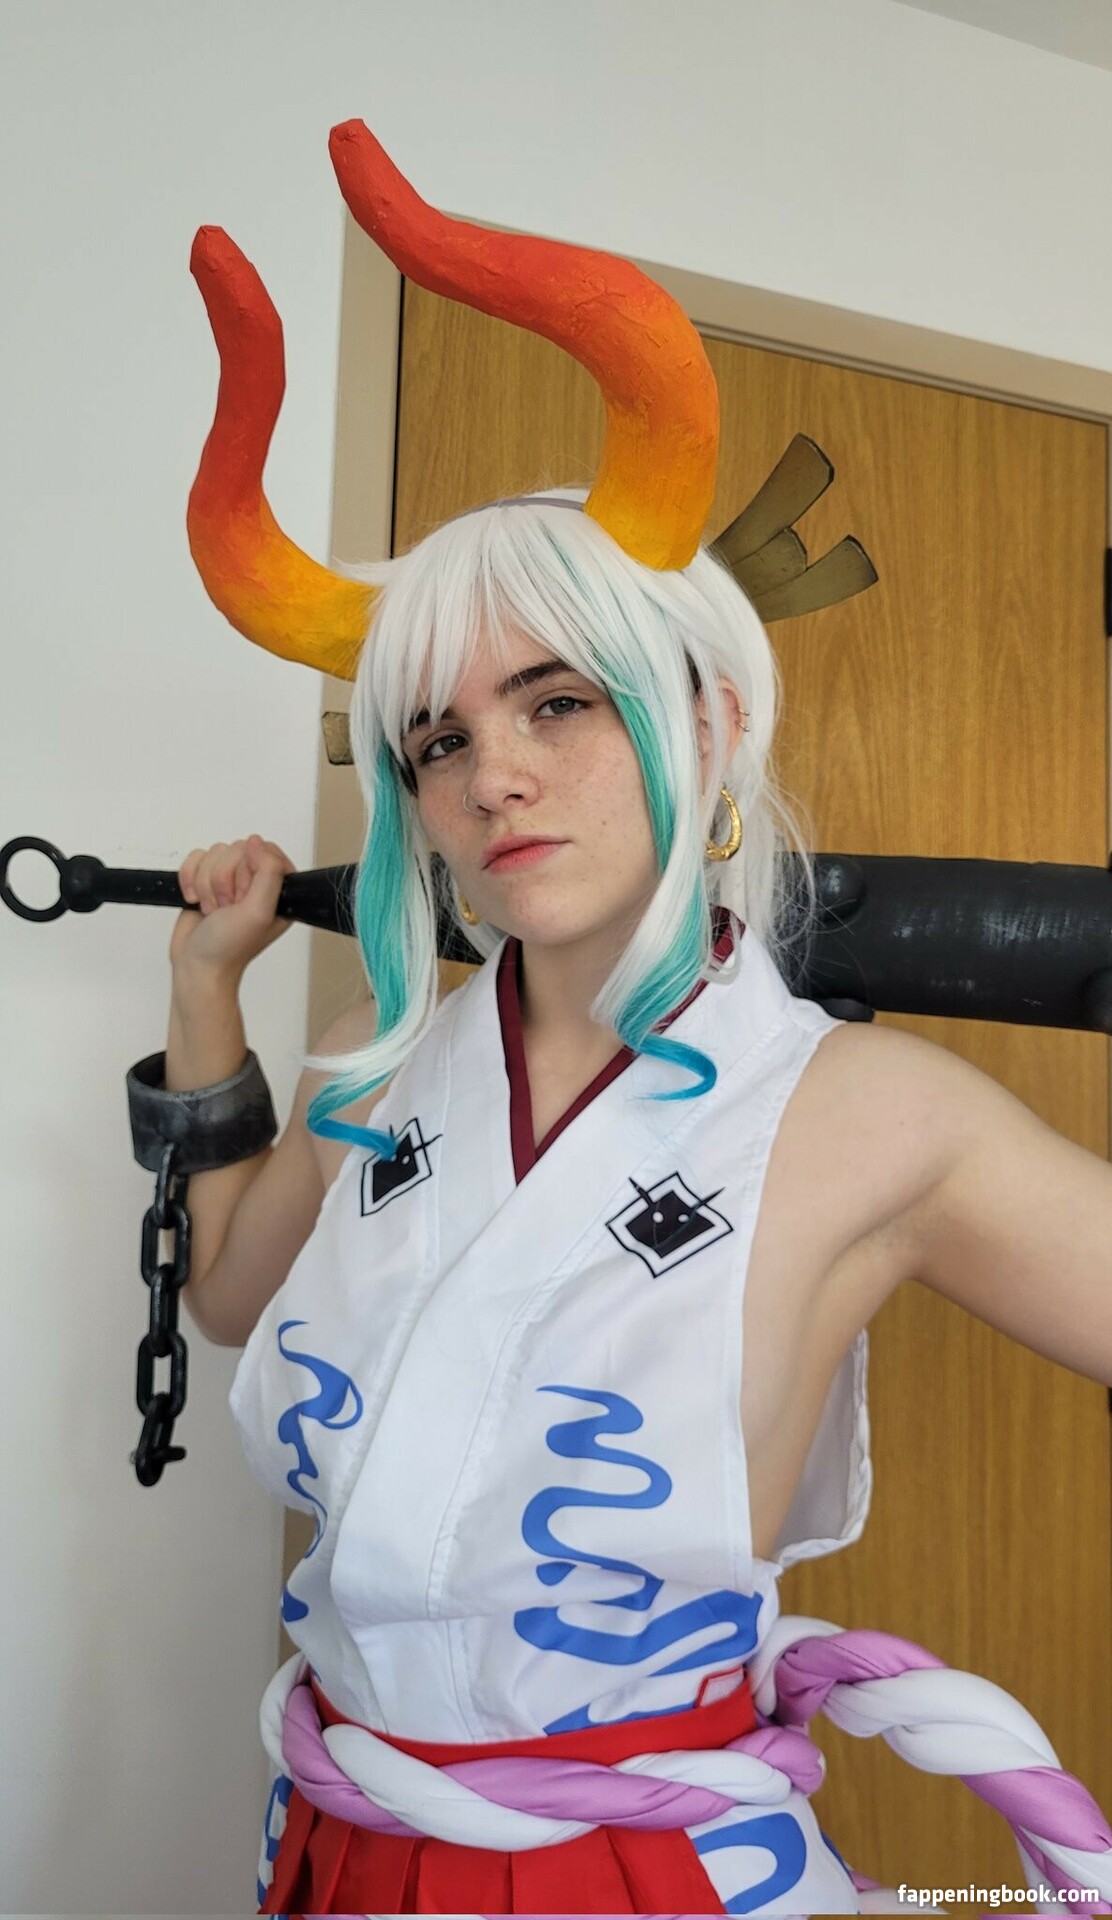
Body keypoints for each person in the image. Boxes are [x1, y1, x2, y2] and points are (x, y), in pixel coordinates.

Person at [149, 123, 1112, 1916]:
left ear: (711, 722)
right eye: (437, 739)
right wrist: (209, 985)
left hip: (652, 1864)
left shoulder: (876, 1115)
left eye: (560, 702)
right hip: (337, 1848)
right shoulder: (386, 1068)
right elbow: (221, 1299)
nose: (492, 777)